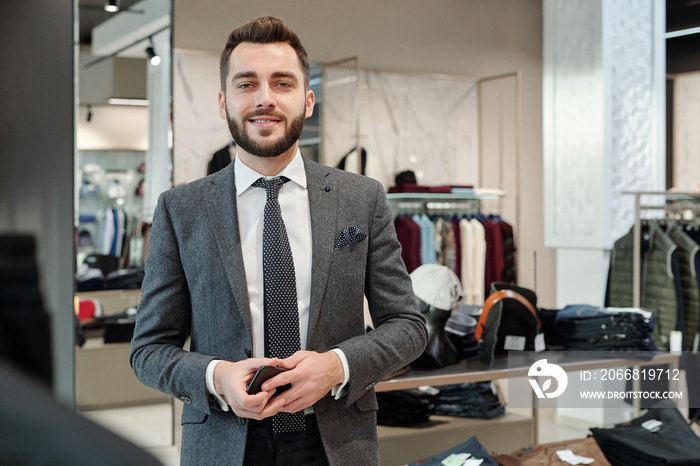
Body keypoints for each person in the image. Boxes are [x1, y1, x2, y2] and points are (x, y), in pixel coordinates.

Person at [130, 16, 427, 466]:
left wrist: (337, 366)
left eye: (282, 83)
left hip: (337, 442)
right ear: (222, 101)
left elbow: (408, 325)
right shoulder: (181, 209)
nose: (265, 99)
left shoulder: (360, 198)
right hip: (224, 443)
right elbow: (148, 350)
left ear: (307, 101)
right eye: (246, 84)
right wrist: (217, 377)